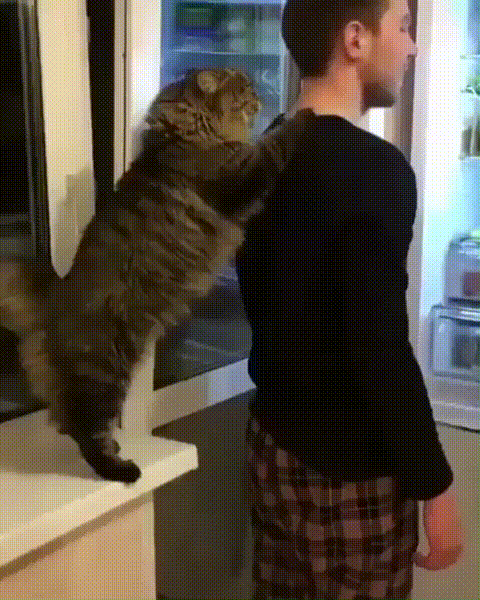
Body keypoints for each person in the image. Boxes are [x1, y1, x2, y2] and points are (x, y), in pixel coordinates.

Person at [235, 1, 465, 598]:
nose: (412, 46)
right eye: (404, 27)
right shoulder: (375, 169)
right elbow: (378, 348)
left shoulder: (262, 153)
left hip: (274, 450)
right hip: (352, 471)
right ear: (355, 40)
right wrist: (435, 485)